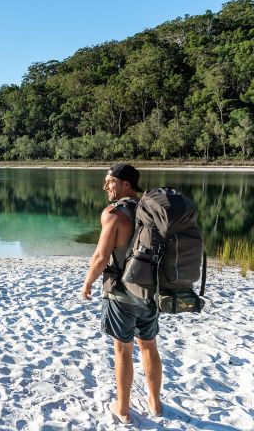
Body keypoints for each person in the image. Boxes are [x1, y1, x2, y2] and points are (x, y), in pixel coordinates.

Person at [81, 164, 162, 424]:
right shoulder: (153, 212)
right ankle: (155, 403)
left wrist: (87, 284)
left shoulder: (114, 214)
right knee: (149, 346)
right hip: (151, 291)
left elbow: (101, 256)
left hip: (121, 293)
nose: (106, 186)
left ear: (126, 184)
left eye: (110, 181)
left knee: (123, 350)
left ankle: (124, 410)